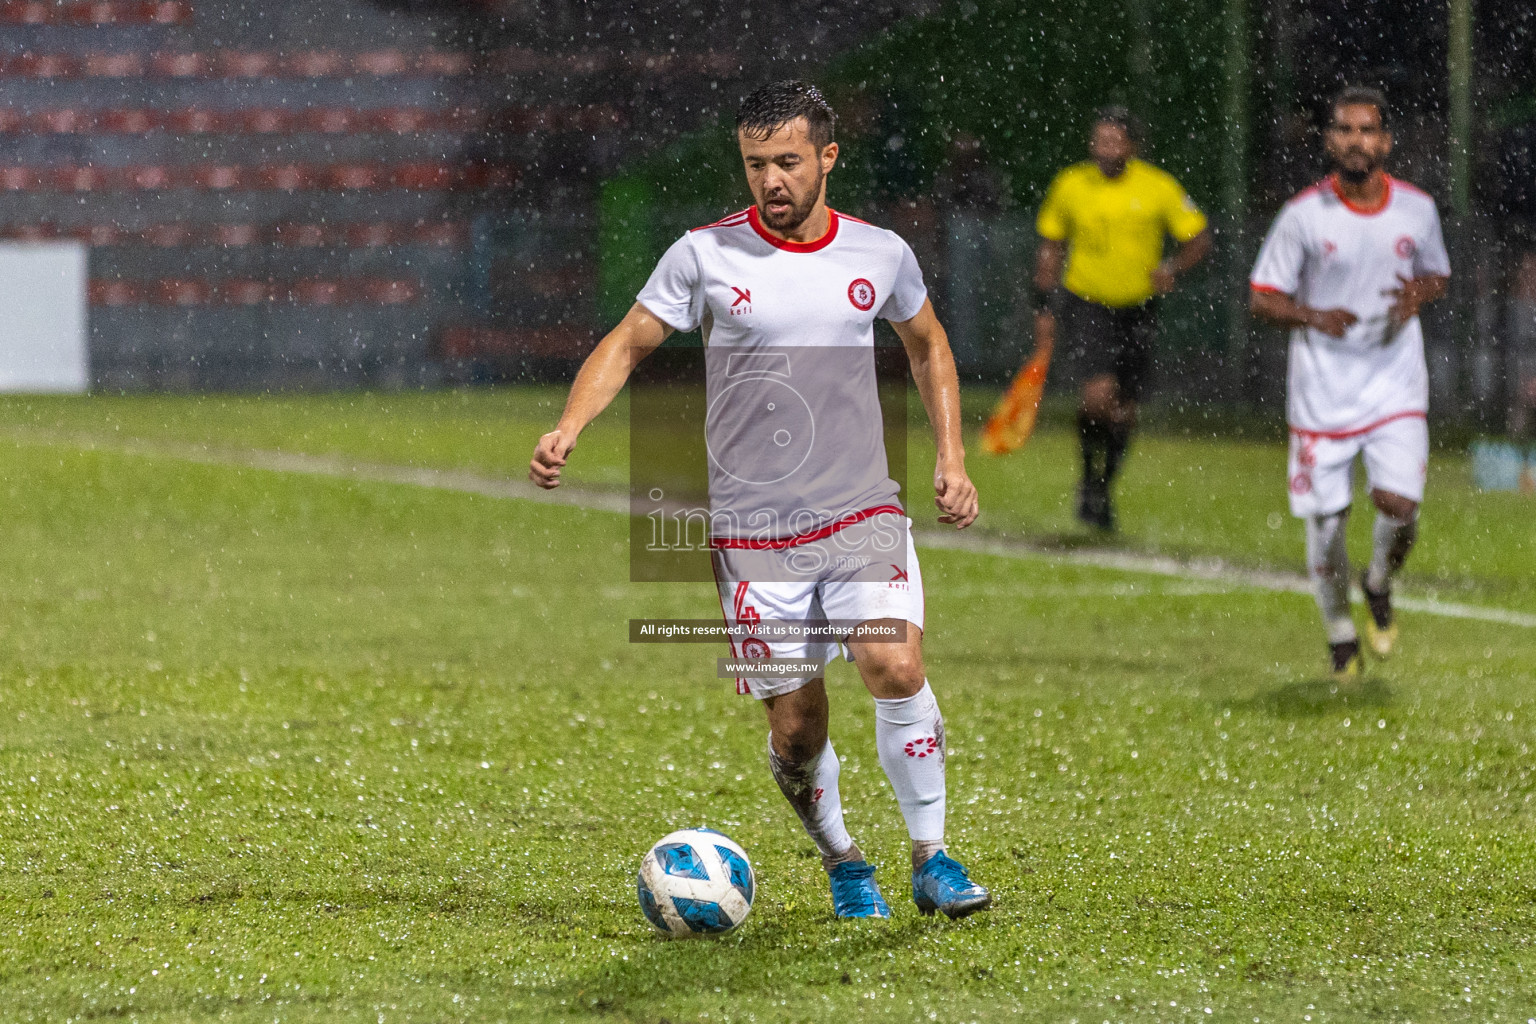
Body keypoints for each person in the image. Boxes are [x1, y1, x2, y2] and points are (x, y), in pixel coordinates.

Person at [529, 80, 991, 920]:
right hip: (753, 534)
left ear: (827, 158)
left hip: (861, 510)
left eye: (786, 161)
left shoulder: (879, 253)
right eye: (754, 164)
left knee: (895, 665)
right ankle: (846, 860)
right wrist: (570, 425)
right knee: (798, 728)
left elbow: (929, 346)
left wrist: (952, 459)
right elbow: (630, 342)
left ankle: (934, 857)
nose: (770, 180)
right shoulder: (704, 254)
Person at [1250, 86, 1450, 678]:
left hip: (1395, 382)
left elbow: (1435, 273)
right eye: (1344, 129)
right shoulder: (1304, 216)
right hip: (1323, 393)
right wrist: (1314, 315)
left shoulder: (1418, 208)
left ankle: (1380, 581)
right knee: (1328, 522)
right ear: (1329, 140)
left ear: (1386, 141)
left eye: (1368, 130)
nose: (1356, 140)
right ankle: (1341, 635)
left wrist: (1419, 292)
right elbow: (1263, 298)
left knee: (1400, 503)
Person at [1033, 106, 1212, 530]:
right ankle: (1087, 473)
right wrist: (1042, 304)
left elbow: (1199, 238)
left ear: (1132, 146)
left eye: (1115, 141)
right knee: (1097, 398)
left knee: (1125, 412)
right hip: (1087, 303)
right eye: (1100, 140)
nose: (1105, 148)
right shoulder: (1072, 184)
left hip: (1139, 308)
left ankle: (1100, 486)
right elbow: (1051, 247)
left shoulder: (1157, 186)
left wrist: (1173, 268)